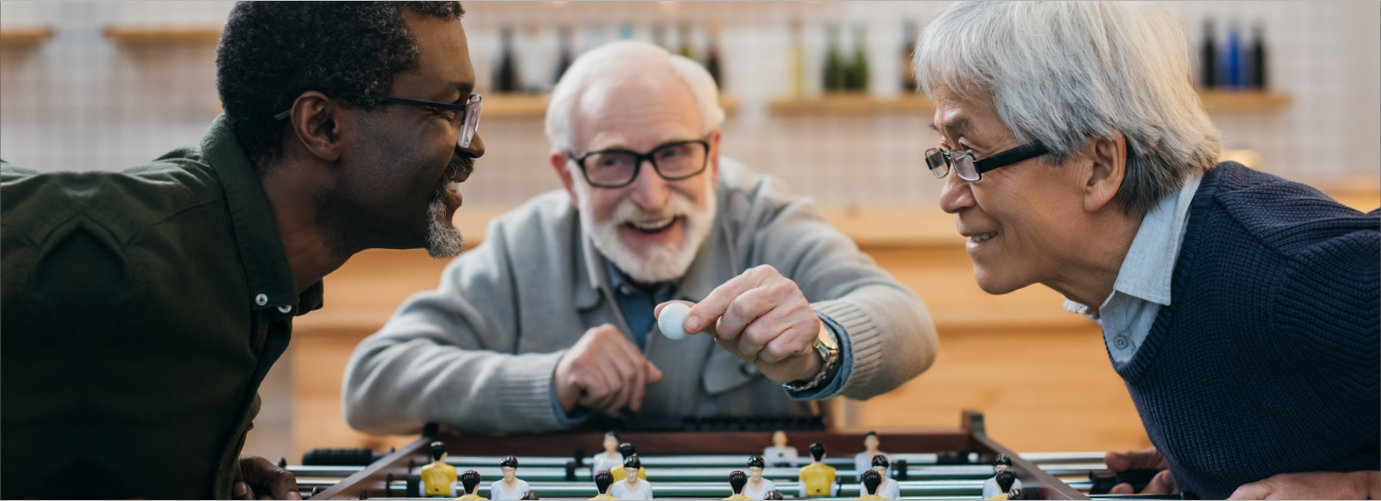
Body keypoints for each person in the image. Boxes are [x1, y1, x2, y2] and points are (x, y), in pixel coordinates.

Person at [0, 2, 485, 499]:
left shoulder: (245, 266)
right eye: (449, 109)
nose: (475, 145)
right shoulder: (142, 268)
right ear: (322, 126)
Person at [341, 39, 938, 434]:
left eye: (676, 153)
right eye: (612, 161)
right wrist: (547, 380)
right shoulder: (525, 247)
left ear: (715, 150)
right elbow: (372, 385)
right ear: (567, 175)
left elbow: (908, 325)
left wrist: (821, 345)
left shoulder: (766, 220)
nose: (651, 197)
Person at [913, 2, 1379, 499]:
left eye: (973, 156)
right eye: (947, 156)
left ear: (1098, 165)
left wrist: (1364, 489)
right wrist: (1200, 469)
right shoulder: (1146, 277)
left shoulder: (1295, 275)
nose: (950, 197)